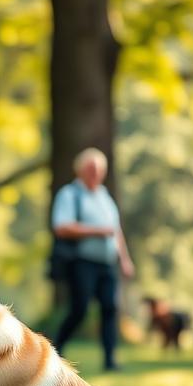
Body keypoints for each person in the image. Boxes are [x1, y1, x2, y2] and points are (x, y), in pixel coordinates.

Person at [50, 147, 135, 371]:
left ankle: (110, 360)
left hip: (107, 263)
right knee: (80, 309)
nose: (94, 173)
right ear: (80, 170)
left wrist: (124, 260)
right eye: (90, 168)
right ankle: (55, 349)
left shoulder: (105, 197)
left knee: (110, 308)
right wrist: (95, 231)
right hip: (82, 261)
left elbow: (116, 231)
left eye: (98, 169)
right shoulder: (70, 194)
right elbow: (61, 227)